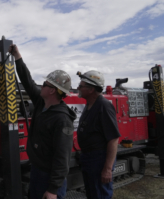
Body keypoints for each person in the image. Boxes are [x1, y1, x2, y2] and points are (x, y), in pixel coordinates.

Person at [9, 44, 76, 199]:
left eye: (45, 84)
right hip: (37, 171)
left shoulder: (62, 120)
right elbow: (28, 81)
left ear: (52, 90)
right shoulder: (41, 103)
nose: (41, 86)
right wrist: (18, 57)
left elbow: (62, 157)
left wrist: (53, 189)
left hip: (49, 178)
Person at [76, 70, 120, 198]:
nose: (78, 88)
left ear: (90, 89)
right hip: (88, 158)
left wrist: (107, 169)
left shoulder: (103, 106)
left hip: (99, 159)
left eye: (81, 86)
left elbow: (113, 139)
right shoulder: (90, 104)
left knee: (100, 194)